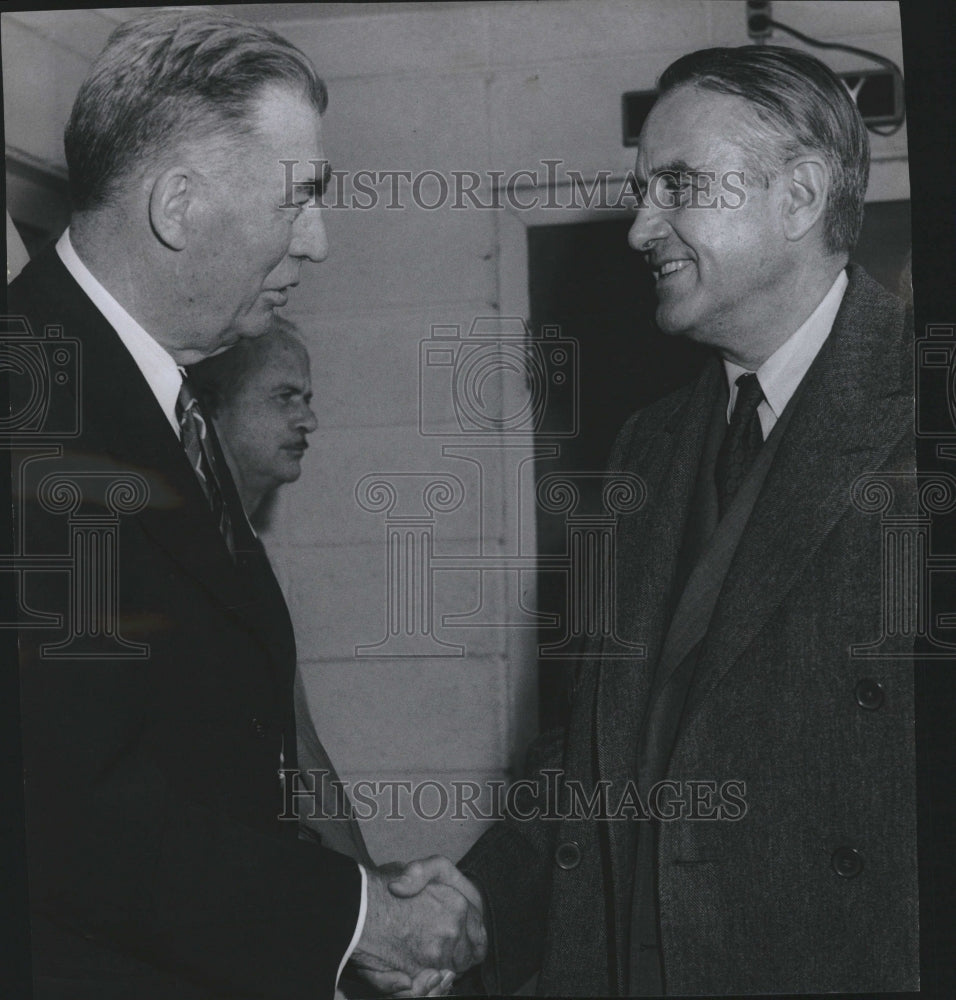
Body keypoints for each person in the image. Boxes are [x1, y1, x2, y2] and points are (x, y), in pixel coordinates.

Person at [8, 9, 482, 999]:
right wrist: (352, 919)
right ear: (178, 206)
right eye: (299, 197)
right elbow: (66, 807)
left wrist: (349, 895)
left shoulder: (153, 399)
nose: (318, 240)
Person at [432, 44, 919, 995]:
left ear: (801, 195)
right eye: (643, 190)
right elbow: (592, 754)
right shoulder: (647, 448)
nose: (640, 227)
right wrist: (459, 916)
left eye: (678, 186)